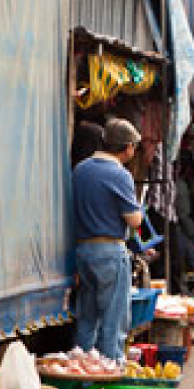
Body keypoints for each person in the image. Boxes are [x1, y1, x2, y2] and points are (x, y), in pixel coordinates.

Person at [70, 118, 143, 360]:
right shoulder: (119, 175)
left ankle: (82, 371)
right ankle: (110, 370)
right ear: (128, 147)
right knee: (113, 321)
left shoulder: (80, 169)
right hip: (110, 252)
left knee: (87, 319)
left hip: (83, 252)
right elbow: (134, 220)